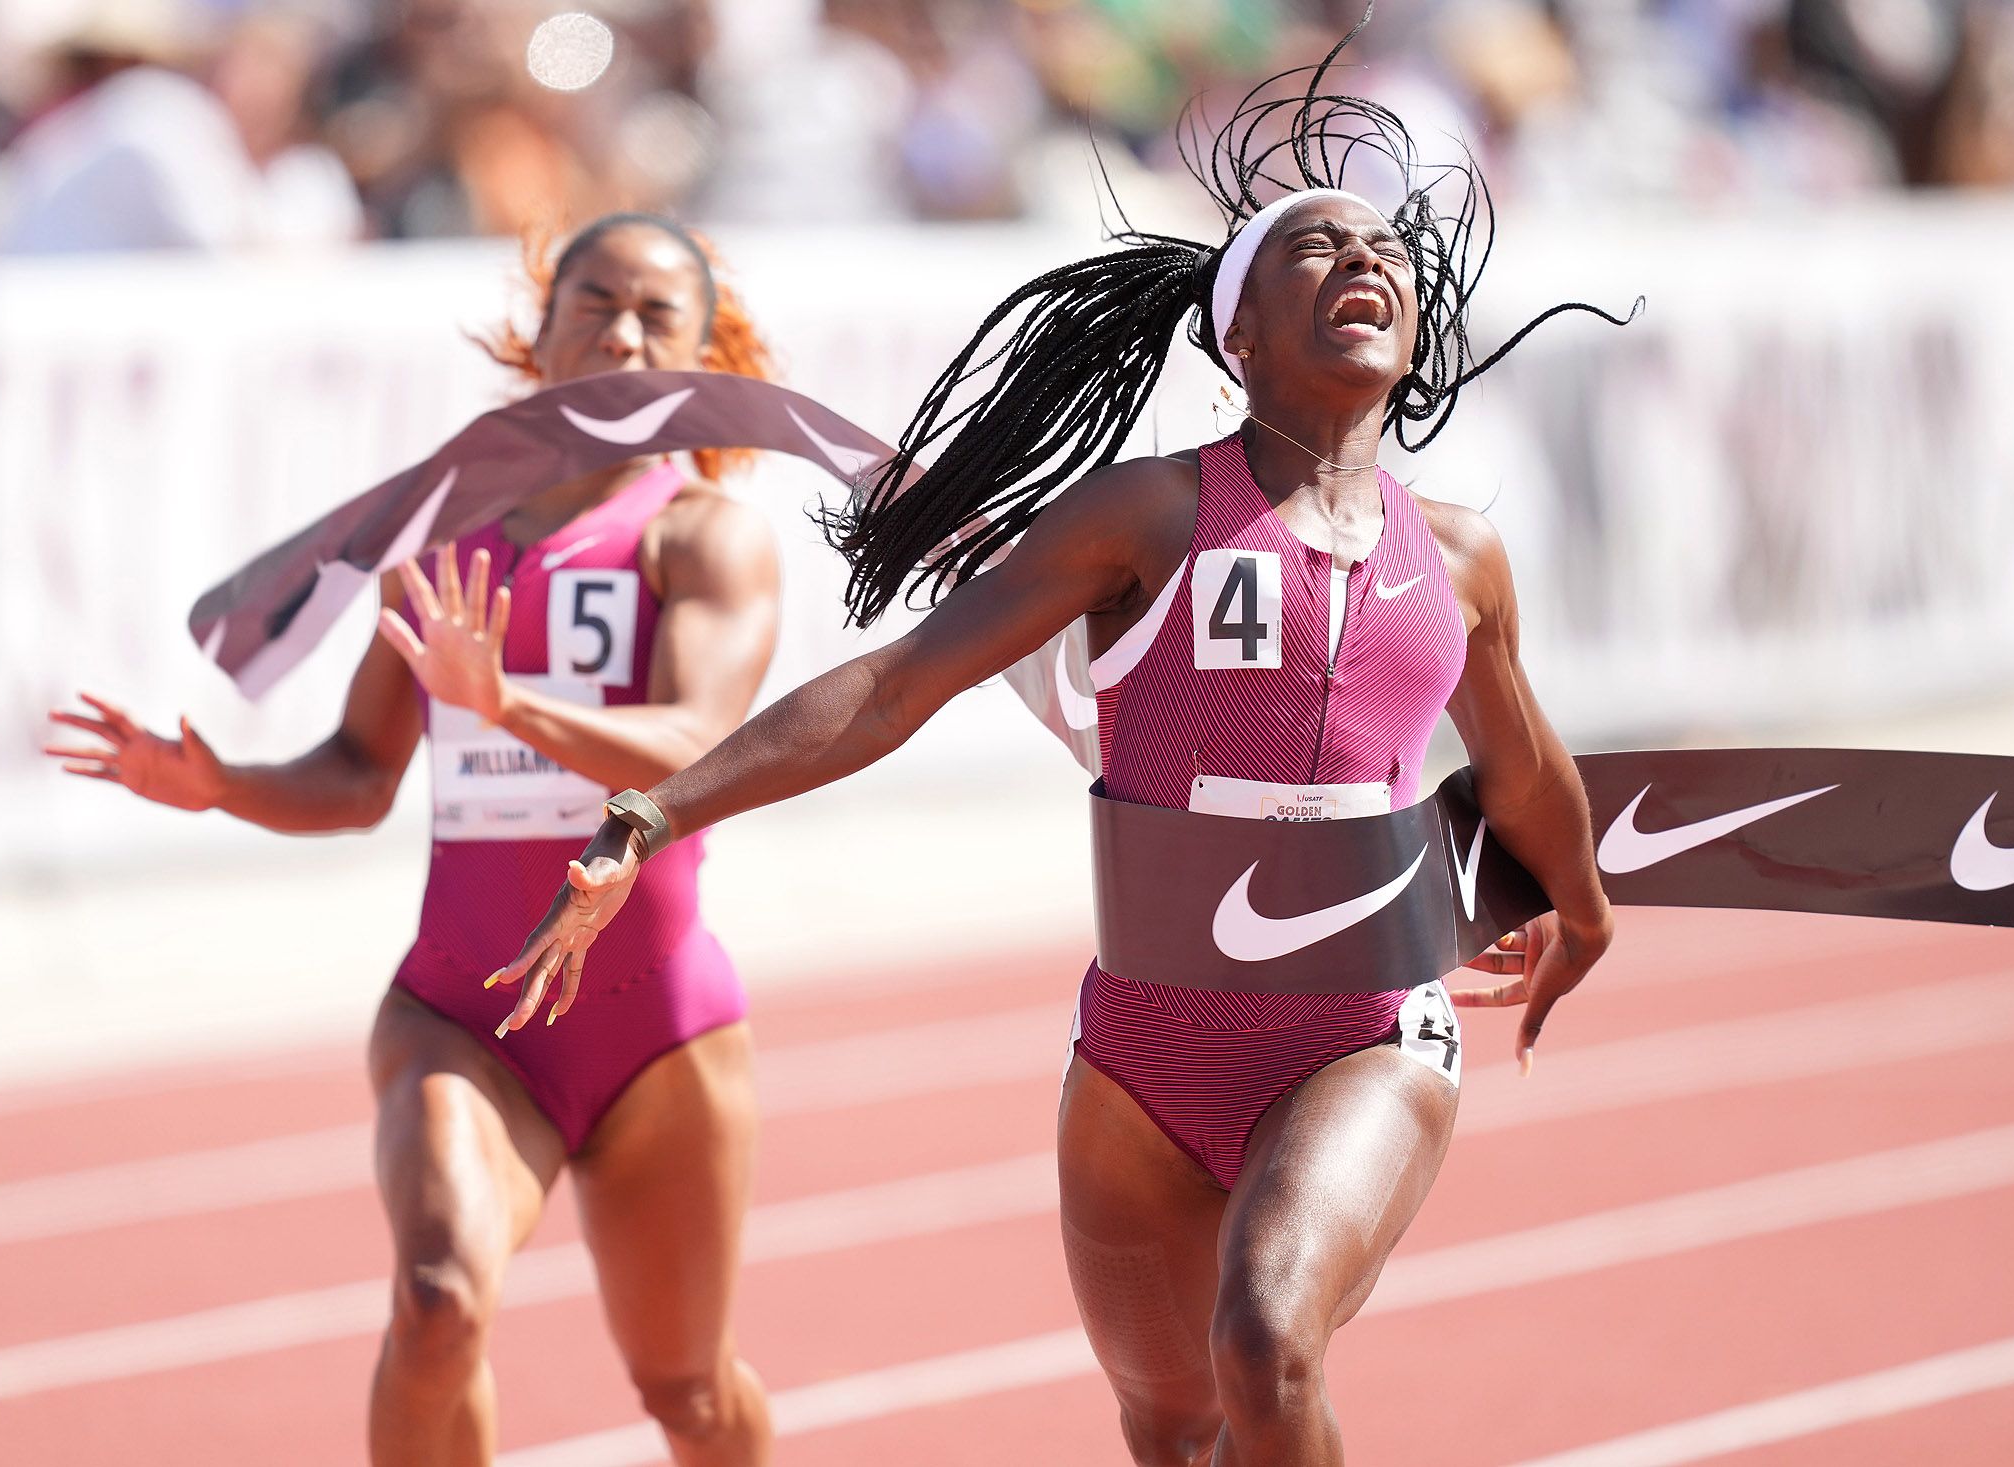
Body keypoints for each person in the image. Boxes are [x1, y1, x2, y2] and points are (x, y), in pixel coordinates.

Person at [497, 23, 1624, 1465]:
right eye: (1315, 250)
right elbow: (896, 683)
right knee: (1172, 1431)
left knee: (1268, 1341)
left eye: (1383, 251)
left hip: (1363, 1028)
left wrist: (1580, 905)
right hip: (1141, 1056)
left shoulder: (1462, 558)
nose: (1366, 264)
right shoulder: (1142, 517)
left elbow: (1524, 766)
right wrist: (654, 810)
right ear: (1239, 336)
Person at [45, 213, 780, 1467]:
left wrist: (511, 707)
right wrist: (219, 782)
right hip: (465, 1017)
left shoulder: (701, 537)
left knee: (689, 1392)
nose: (621, 329)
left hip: (658, 1030)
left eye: (659, 313)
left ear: (702, 352)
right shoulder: (440, 549)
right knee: (438, 1303)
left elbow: (701, 752)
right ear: (536, 335)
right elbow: (356, 777)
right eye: (594, 300)